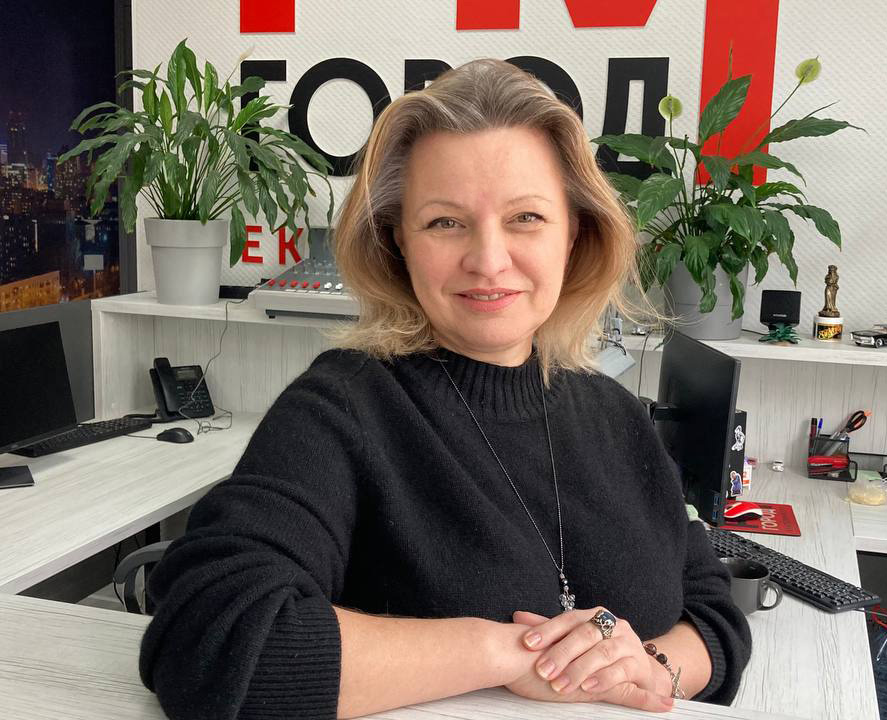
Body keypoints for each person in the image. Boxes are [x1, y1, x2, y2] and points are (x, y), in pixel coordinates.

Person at [138, 59, 751, 720]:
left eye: (525, 217)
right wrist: (508, 653)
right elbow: (207, 639)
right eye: (444, 223)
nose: (488, 260)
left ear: (575, 233)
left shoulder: (618, 416)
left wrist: (649, 667)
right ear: (397, 241)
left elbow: (712, 613)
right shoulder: (341, 408)